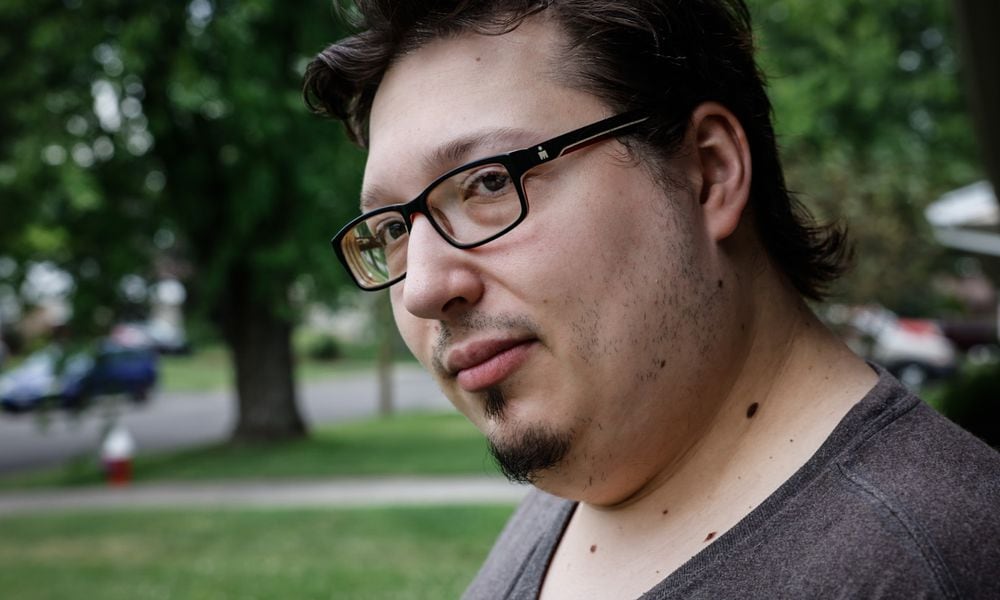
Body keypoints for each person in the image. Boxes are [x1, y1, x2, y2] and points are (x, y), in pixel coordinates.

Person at [304, 1, 1000, 598]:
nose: (423, 288)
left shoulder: (933, 560)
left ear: (709, 173)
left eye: (488, 184)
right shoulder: (586, 492)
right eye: (394, 230)